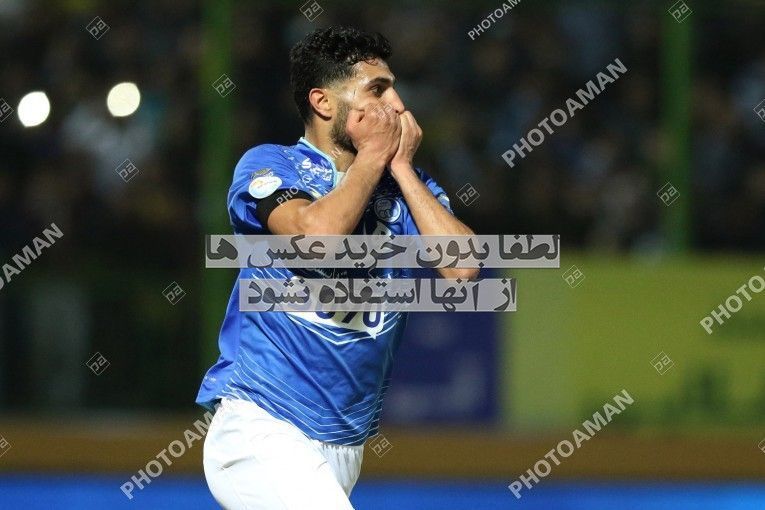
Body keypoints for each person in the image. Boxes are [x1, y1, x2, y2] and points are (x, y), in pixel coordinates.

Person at [198, 25, 478, 509]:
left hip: (344, 446)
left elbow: (464, 269)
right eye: (377, 90)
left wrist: (402, 169)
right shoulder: (270, 165)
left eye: (394, 88)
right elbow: (318, 240)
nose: (397, 106)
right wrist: (373, 155)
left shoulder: (403, 185)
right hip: (260, 425)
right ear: (324, 103)